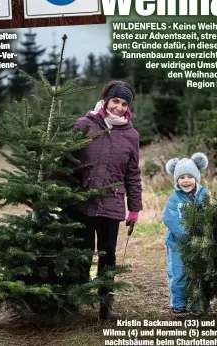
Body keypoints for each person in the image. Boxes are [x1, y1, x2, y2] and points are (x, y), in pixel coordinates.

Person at [71, 80, 142, 320]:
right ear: (105, 100)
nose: (119, 107)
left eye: (124, 103)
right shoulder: (84, 125)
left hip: (112, 204)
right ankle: (75, 301)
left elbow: (133, 174)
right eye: (115, 101)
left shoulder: (131, 135)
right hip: (81, 200)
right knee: (81, 252)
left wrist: (134, 209)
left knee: (107, 255)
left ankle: (105, 306)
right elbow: (65, 163)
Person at [163, 153, 209, 314]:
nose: (186, 180)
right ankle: (179, 304)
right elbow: (171, 220)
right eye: (182, 177)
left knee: (199, 272)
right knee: (179, 273)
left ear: (197, 177)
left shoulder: (204, 195)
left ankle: (198, 303)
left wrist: (205, 236)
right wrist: (188, 237)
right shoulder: (175, 199)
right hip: (178, 244)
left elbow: (210, 216)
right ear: (177, 180)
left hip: (201, 243)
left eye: (190, 176)